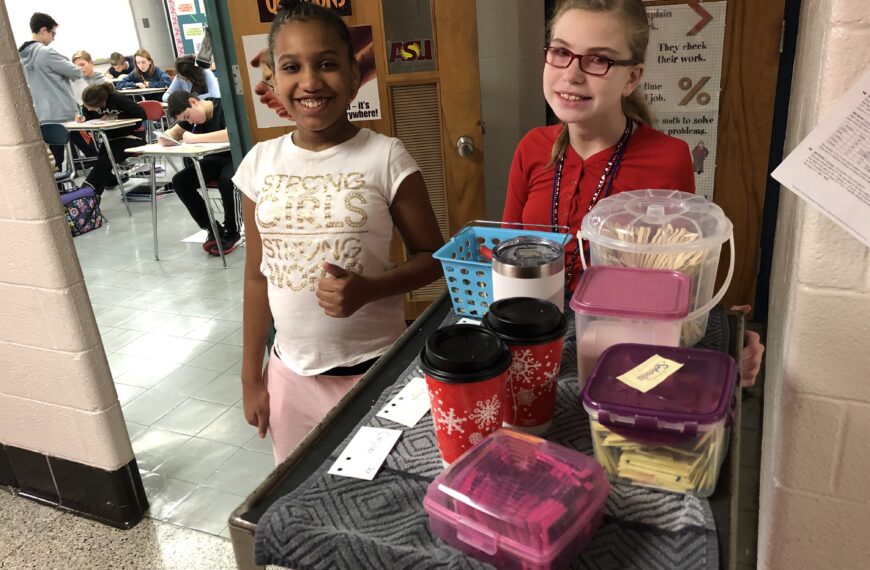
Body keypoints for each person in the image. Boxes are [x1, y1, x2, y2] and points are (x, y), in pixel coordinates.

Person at [502, 0, 764, 385]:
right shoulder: (531, 147)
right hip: (533, 337)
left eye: (598, 60)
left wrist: (724, 333)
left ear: (632, 77)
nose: (571, 75)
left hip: (618, 346)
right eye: (560, 52)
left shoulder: (668, 158)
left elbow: (677, 275)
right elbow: (508, 253)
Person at [232, 0, 444, 463]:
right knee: (299, 492)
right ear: (273, 79)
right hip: (290, 377)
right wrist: (252, 375)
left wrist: (371, 289)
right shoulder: (258, 165)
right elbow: (256, 276)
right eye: (292, 67)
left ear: (353, 75)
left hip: (375, 373)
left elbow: (434, 256)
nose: (309, 82)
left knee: (380, 488)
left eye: (327, 64)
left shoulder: (385, 157)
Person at [160, 91, 240, 255]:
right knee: (180, 181)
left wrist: (195, 138)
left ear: (193, 102)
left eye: (188, 116)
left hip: (237, 157)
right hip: (215, 159)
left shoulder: (225, 106)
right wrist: (166, 138)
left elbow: (230, 133)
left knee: (228, 181)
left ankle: (233, 231)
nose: (191, 121)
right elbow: (174, 132)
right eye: (186, 120)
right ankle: (212, 227)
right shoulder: (192, 116)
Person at [18, 12, 91, 169]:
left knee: (57, 158)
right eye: (53, 33)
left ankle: (61, 189)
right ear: (43, 30)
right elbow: (76, 72)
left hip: (44, 115)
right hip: (65, 112)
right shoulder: (46, 52)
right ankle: (107, 180)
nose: (54, 38)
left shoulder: (20, 56)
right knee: (92, 150)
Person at [77, 83, 146, 198]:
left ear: (101, 102)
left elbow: (142, 115)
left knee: (105, 161)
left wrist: (115, 118)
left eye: (91, 106)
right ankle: (107, 183)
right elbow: (86, 113)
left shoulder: (118, 99)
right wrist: (82, 117)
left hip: (134, 137)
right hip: (112, 138)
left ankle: (84, 196)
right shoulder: (92, 103)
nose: (88, 108)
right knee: (102, 161)